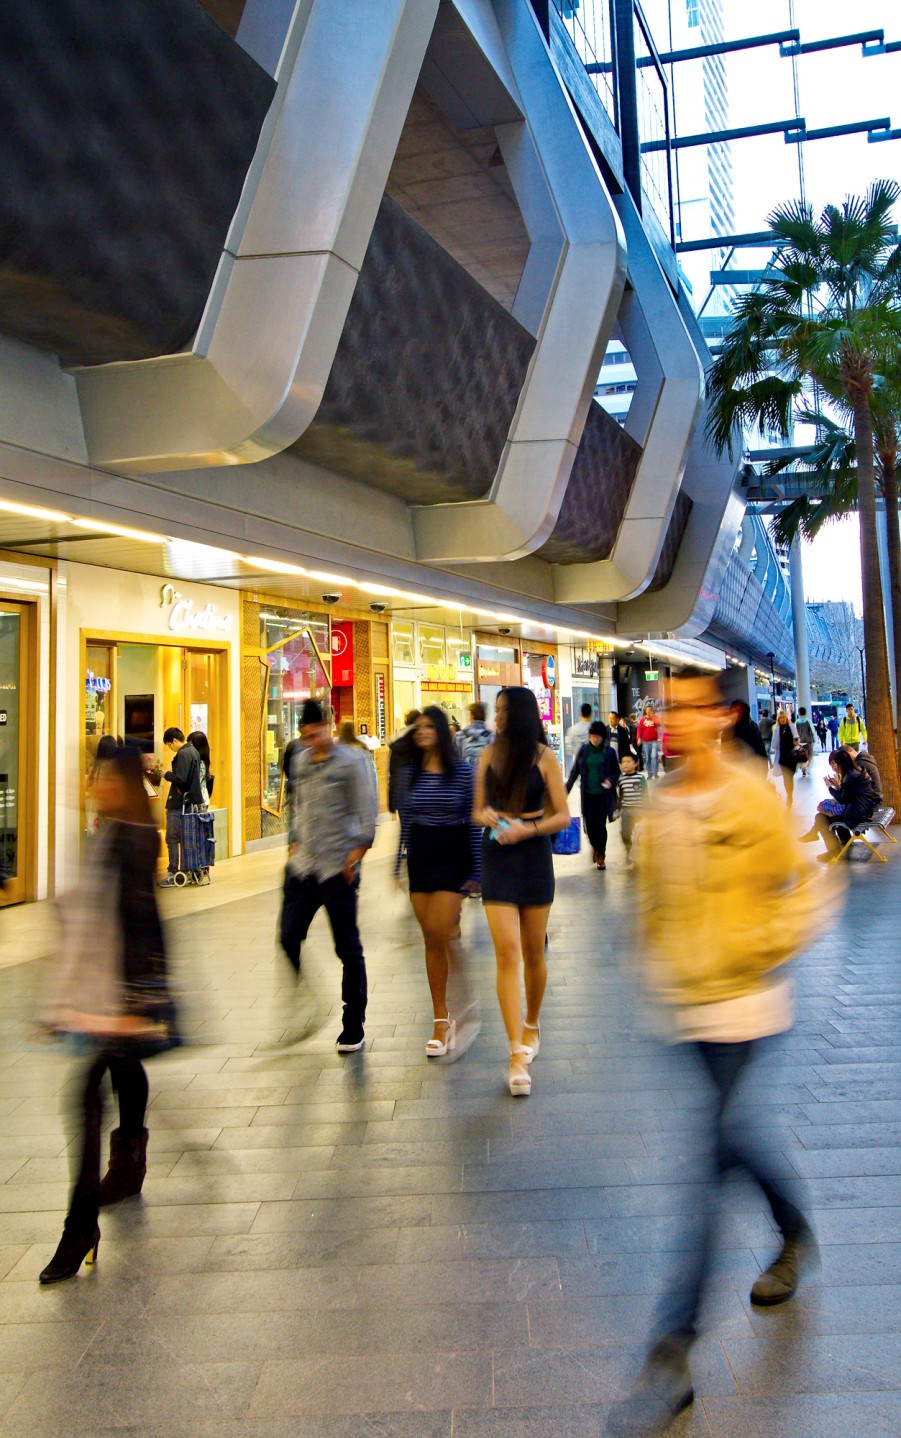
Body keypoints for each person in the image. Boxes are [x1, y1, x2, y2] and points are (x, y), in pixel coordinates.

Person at [609, 668, 825, 1437]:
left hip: (751, 1005)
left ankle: (671, 1354)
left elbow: (806, 889)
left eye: (689, 707)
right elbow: (651, 904)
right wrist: (658, 968)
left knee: (705, 1166)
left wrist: (750, 948)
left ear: (723, 715)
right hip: (693, 1013)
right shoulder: (663, 807)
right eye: (667, 707)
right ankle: (794, 1228)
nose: (674, 719)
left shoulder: (749, 796)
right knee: (735, 1143)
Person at [37, 748, 178, 1284]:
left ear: (119, 782)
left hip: (115, 995)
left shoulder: (134, 838)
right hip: (103, 994)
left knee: (86, 1096)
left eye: (99, 778)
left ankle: (81, 1225)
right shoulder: (111, 833)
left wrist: (135, 1002)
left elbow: (140, 922)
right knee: (121, 1074)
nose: (92, 786)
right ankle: (128, 1168)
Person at [473, 688, 570, 1097]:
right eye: (495, 711)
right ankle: (515, 1052)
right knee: (508, 952)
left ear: (521, 715)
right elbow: (476, 808)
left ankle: (532, 1022)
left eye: (503, 711)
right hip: (496, 852)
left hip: (532, 854)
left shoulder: (544, 758)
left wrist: (527, 829)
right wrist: (490, 816)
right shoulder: (487, 755)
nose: (497, 718)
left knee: (533, 951)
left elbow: (563, 815)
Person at [279, 699, 376, 1052]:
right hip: (303, 867)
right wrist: (293, 841)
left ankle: (354, 1023)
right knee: (288, 937)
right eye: (305, 735)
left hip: (338, 868)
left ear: (329, 725)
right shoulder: (300, 760)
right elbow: (298, 804)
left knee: (347, 947)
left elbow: (367, 812)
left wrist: (357, 854)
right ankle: (310, 998)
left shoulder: (353, 762)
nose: (310, 740)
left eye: (316, 732)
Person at [399, 707, 481, 1056]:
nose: (422, 732)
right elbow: (405, 823)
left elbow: (474, 822)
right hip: (421, 856)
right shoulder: (410, 774)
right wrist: (396, 865)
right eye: (419, 728)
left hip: (452, 851)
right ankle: (440, 1018)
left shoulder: (463, 772)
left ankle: (464, 999)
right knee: (431, 939)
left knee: (441, 930)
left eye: (429, 726)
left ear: (443, 733)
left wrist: (477, 871)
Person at [801, 747, 878, 858]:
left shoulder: (850, 777)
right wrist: (837, 786)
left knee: (821, 818)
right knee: (828, 814)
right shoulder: (854, 772)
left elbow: (842, 799)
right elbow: (849, 795)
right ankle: (840, 840)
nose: (833, 767)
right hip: (863, 810)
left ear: (841, 763)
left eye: (834, 763)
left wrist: (830, 788)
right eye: (831, 764)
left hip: (857, 814)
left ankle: (833, 851)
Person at [565, 721, 620, 870]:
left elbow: (616, 771)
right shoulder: (584, 750)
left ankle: (601, 854)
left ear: (603, 737)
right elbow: (575, 771)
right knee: (589, 827)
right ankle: (595, 847)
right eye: (592, 736)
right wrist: (566, 790)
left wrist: (610, 780)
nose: (595, 739)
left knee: (600, 826)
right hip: (587, 794)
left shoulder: (609, 752)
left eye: (598, 737)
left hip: (603, 795)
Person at [158, 727, 204, 887]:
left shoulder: (183, 754)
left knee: (172, 837)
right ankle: (186, 869)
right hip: (189, 803)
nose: (170, 749)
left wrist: (166, 775)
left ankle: (172, 872)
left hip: (179, 802)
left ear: (175, 741)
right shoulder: (194, 751)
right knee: (186, 838)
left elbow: (181, 779)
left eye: (170, 745)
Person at [338, 720, 379, 807]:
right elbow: (371, 774)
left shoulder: (338, 750)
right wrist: (374, 797)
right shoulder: (361, 747)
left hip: (346, 800)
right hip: (362, 794)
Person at [617, 752, 648, 864]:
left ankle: (639, 852)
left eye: (628, 762)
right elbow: (620, 796)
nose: (625, 764)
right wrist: (617, 808)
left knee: (639, 833)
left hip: (639, 809)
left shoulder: (640, 778)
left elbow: (645, 793)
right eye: (623, 762)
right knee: (624, 832)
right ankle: (628, 847)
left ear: (635, 764)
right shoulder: (621, 779)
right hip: (626, 810)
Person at [388, 709, 421, 815]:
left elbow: (393, 771)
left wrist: (392, 798)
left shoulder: (397, 741)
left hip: (401, 794)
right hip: (419, 794)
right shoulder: (418, 742)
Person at [769, 710, 800, 807]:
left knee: (790, 777)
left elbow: (797, 739)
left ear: (786, 718)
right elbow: (774, 744)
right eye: (780, 718)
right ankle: (789, 796)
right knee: (786, 778)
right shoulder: (777, 729)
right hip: (782, 757)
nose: (782, 719)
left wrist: (796, 742)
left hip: (792, 756)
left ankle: (790, 794)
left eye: (783, 717)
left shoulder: (792, 727)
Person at [456, 701, 492, 768]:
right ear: (484, 717)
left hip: (465, 776)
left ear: (471, 716)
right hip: (485, 776)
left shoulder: (459, 735)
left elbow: (454, 761)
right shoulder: (492, 736)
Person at [186, 730, 214, 806]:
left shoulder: (200, 763)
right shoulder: (204, 761)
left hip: (198, 802)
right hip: (203, 800)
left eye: (190, 744)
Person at [636, 703, 661, 779]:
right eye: (647, 710)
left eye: (650, 710)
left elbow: (659, 724)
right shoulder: (643, 719)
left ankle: (655, 772)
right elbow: (639, 730)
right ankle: (649, 773)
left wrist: (652, 717)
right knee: (647, 758)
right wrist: (639, 738)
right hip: (645, 742)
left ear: (652, 710)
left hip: (654, 741)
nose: (648, 711)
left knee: (654, 756)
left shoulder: (655, 718)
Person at [795, 707, 816, 778]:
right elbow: (813, 731)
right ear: (805, 712)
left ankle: (803, 769)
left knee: (802, 755)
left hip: (800, 742)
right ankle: (806, 766)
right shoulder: (808, 721)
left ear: (799, 713)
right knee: (810, 755)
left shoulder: (797, 722)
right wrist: (814, 739)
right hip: (808, 741)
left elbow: (795, 733)